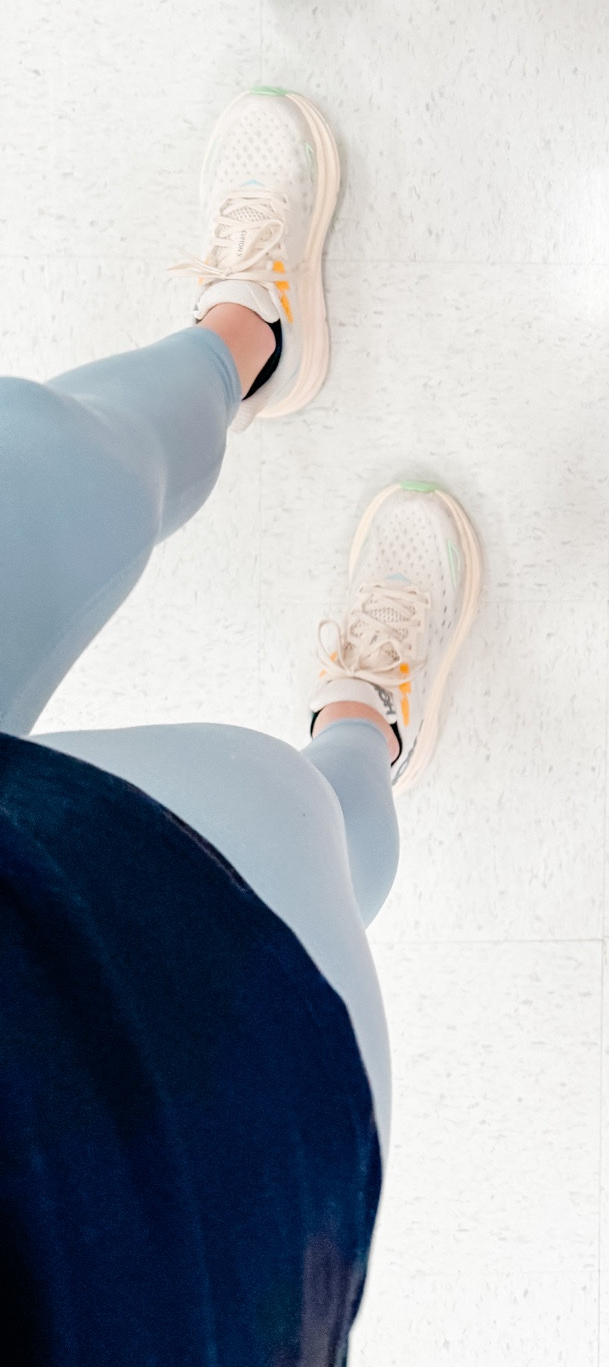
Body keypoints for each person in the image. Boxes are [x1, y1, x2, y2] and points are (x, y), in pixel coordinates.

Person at [0, 87, 481, 1366]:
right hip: (85, 1212)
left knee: (33, 458)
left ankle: (244, 335)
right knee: (275, 811)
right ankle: (364, 727)